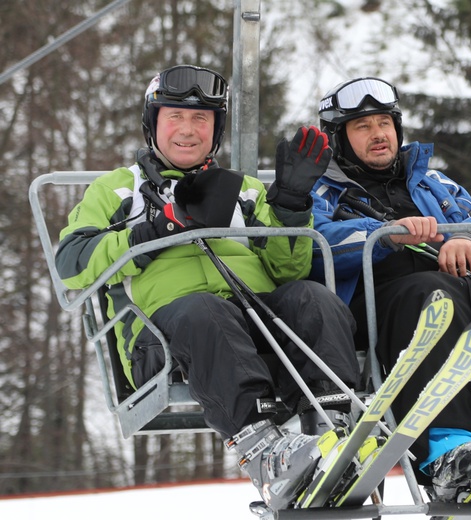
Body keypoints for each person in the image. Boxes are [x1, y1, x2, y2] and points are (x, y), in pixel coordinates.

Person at [55, 64, 363, 510]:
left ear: (215, 130)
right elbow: (72, 262)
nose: (187, 130)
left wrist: (293, 205)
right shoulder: (117, 191)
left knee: (312, 298)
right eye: (174, 117)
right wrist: (152, 232)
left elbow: (287, 270)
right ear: (152, 124)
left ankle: (332, 423)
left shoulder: (244, 191)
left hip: (254, 320)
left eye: (201, 119)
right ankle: (261, 448)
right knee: (204, 311)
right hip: (163, 338)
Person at [310, 77, 471, 502]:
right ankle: (447, 449)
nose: (378, 135)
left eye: (384, 123)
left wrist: (468, 237)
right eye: (362, 127)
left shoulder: (431, 183)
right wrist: (384, 234)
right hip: (380, 304)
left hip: (457, 289)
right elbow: (314, 244)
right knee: (431, 293)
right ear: (338, 138)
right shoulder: (323, 189)